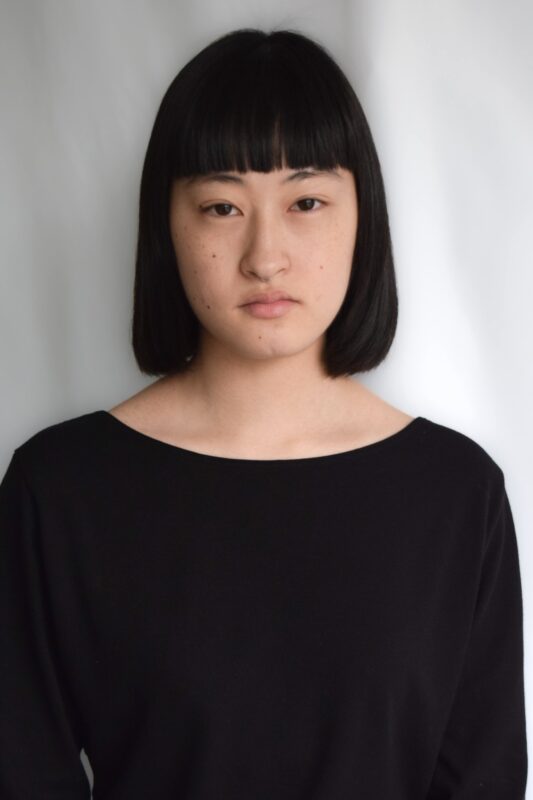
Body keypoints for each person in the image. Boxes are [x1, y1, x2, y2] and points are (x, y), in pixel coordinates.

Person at [0, 27, 527, 799]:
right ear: (166, 225)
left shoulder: (456, 494)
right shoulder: (59, 490)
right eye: (220, 206)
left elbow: (482, 778)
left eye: (306, 201)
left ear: (363, 216)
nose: (265, 256)